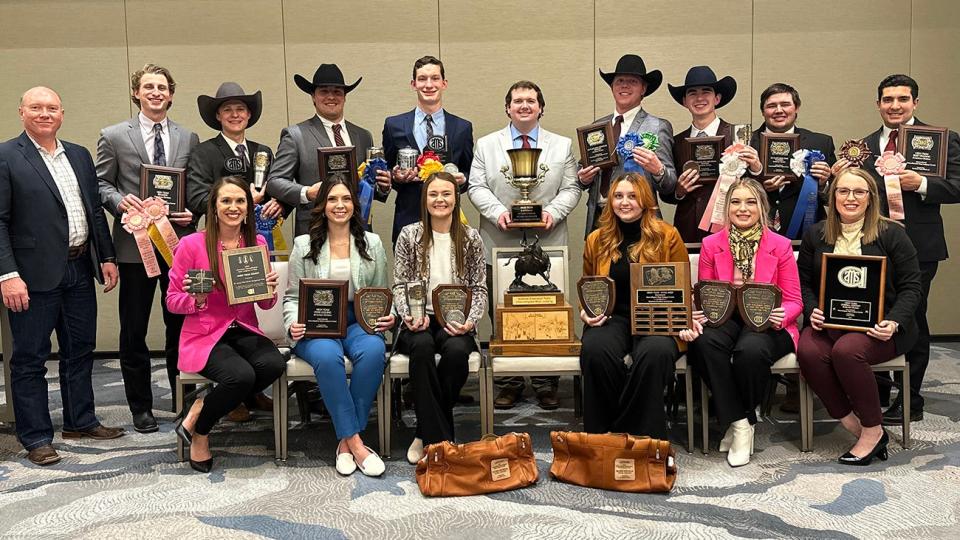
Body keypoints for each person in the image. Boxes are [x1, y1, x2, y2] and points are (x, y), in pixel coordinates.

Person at [0, 86, 124, 466]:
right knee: (29, 359)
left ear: (62, 114)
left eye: (51, 108)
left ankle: (80, 420)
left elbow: (92, 210)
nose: (44, 114)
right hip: (31, 276)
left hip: (78, 268)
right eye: (36, 107)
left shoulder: (80, 155)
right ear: (22, 112)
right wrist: (7, 273)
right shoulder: (6, 156)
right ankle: (36, 436)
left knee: (80, 350)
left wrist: (106, 255)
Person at [836, 74, 960, 425]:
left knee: (910, 318)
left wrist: (919, 183)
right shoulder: (863, 146)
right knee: (868, 317)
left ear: (915, 103)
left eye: (902, 99)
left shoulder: (939, 140)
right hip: (870, 246)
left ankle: (911, 399)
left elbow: (957, 186)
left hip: (920, 247)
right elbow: (852, 194)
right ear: (878, 104)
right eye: (887, 100)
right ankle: (876, 394)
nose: (894, 106)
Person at [96, 63, 199, 432]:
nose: (156, 93)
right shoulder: (113, 136)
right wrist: (121, 202)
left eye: (162, 87)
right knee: (134, 329)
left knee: (180, 324)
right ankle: (140, 406)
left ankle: (181, 395)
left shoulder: (189, 137)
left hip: (177, 247)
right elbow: (100, 184)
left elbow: (195, 187)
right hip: (133, 246)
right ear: (137, 93)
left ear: (171, 94)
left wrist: (193, 209)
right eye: (148, 87)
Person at [467, 80, 581, 410]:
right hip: (499, 239)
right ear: (508, 108)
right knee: (503, 310)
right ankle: (509, 382)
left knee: (547, 311)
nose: (524, 105)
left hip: (549, 241)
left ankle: (546, 382)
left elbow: (572, 188)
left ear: (541, 107)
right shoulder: (486, 145)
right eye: (518, 101)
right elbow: (476, 186)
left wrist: (554, 213)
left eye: (531, 100)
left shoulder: (561, 146)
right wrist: (498, 212)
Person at [797, 168, 922, 465]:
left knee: (848, 351)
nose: (850, 198)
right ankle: (848, 418)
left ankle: (872, 430)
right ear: (833, 196)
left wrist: (893, 322)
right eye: (843, 191)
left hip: (883, 327)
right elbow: (803, 281)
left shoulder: (892, 233)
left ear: (870, 198)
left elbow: (911, 286)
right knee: (808, 351)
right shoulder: (816, 234)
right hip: (830, 322)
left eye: (859, 192)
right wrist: (812, 307)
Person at [679, 177, 802, 467]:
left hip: (766, 321)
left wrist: (781, 315)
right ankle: (742, 423)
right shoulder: (711, 244)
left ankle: (740, 420)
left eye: (750, 202)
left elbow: (795, 300)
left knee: (750, 352)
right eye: (735, 202)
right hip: (726, 318)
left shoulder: (780, 246)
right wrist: (699, 313)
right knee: (703, 344)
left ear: (762, 207)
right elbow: (707, 294)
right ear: (726, 207)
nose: (742, 208)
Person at [166, 176, 286, 473]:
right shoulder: (191, 244)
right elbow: (172, 300)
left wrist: (269, 289)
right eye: (226, 201)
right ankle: (202, 431)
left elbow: (266, 304)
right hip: (206, 333)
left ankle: (201, 405)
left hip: (244, 329)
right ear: (214, 206)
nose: (233, 207)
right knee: (241, 377)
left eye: (240, 201)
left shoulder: (256, 243)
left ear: (248, 207)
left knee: (273, 365)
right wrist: (198, 300)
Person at [185, 82, 283, 422]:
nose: (235, 114)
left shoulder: (264, 151)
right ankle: (234, 394)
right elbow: (196, 196)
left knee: (254, 308)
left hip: (257, 240)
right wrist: (234, 204)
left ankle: (250, 391)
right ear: (218, 116)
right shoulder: (204, 153)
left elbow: (279, 190)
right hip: (218, 240)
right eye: (228, 109)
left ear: (250, 114)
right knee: (220, 307)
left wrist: (275, 205)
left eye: (241, 108)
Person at [283, 178, 395, 477]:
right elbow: (292, 297)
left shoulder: (372, 243)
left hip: (358, 319)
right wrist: (292, 323)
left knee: (373, 352)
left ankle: (345, 443)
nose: (340, 205)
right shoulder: (303, 245)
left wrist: (389, 315)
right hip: (317, 323)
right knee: (328, 358)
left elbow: (383, 292)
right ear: (323, 206)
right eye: (332, 199)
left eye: (346, 199)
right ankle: (357, 444)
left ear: (354, 205)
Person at [579, 172, 688, 440]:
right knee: (595, 349)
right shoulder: (597, 239)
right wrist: (586, 310)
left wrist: (686, 320)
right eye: (618, 196)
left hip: (658, 318)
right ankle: (601, 435)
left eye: (632, 196)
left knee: (656, 353)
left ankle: (638, 436)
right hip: (612, 317)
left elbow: (684, 286)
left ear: (646, 200)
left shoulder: (668, 235)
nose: (624, 202)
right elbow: (589, 285)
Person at [392, 172, 486, 463]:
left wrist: (471, 320)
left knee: (457, 352)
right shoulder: (409, 235)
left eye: (446, 194)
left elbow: (479, 287)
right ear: (425, 199)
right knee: (421, 348)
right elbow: (399, 284)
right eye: (433, 194)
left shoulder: (470, 238)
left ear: (456, 199)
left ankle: (424, 431)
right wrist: (408, 315)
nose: (440, 200)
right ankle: (442, 438)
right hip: (418, 318)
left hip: (456, 319)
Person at [266, 64, 380, 236]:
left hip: (358, 229)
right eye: (324, 91)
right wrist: (306, 193)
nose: (331, 97)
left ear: (345, 96)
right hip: (314, 230)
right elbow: (275, 181)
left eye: (337, 92)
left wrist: (382, 186)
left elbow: (368, 186)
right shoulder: (295, 135)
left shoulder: (363, 136)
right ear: (313, 96)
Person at [577, 54, 677, 236]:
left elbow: (670, 185)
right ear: (612, 87)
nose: (624, 85)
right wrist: (583, 179)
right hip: (601, 219)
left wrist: (658, 169)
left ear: (643, 89)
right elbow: (582, 171)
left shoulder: (658, 126)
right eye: (620, 81)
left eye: (632, 81)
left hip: (642, 221)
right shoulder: (595, 127)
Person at [381, 55, 474, 245]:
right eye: (422, 79)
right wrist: (395, 176)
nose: (428, 85)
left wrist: (462, 179)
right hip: (408, 217)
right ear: (413, 84)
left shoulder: (462, 127)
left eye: (435, 78)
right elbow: (388, 169)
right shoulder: (394, 125)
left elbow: (469, 172)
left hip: (449, 218)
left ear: (444, 83)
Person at [663, 66, 762, 243]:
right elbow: (666, 192)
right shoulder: (676, 142)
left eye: (706, 92)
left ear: (717, 98)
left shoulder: (739, 136)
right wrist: (678, 191)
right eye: (692, 93)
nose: (699, 98)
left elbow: (758, 186)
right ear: (684, 101)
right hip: (688, 228)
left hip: (732, 227)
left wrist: (756, 168)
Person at [747, 83, 836, 239]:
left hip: (807, 232)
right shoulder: (746, 143)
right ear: (763, 111)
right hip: (755, 231)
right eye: (771, 106)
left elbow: (834, 199)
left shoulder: (821, 143)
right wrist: (760, 181)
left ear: (796, 108)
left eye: (785, 104)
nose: (779, 110)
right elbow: (733, 189)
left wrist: (823, 184)